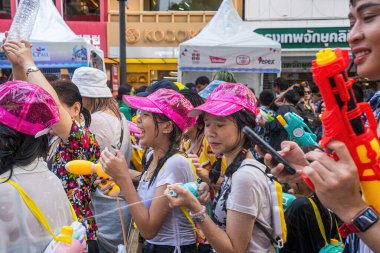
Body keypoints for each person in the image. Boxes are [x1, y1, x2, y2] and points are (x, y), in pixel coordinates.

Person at [166, 83, 274, 253]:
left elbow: (233, 249)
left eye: (220, 124)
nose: (210, 132)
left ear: (245, 127)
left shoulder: (244, 176)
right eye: (207, 124)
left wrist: (195, 208)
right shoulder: (235, 169)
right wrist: (208, 189)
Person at [100, 89, 198, 253]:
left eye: (146, 115)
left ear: (167, 126)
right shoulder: (151, 156)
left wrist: (124, 179)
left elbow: (149, 229)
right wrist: (120, 185)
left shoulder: (176, 164)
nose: (137, 120)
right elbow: (147, 203)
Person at [1, 40, 75, 252]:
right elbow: (22, 112)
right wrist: (17, 66)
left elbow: (53, 112)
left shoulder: (6, 190)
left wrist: (27, 62)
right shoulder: (47, 176)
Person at [71, 66, 133, 253]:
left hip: (104, 208)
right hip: (119, 205)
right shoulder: (119, 116)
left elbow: (87, 164)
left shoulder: (96, 120)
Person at [49, 79, 101, 252]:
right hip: (60, 235)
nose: (47, 114)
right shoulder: (53, 139)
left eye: (52, 108)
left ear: (76, 109)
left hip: (80, 237)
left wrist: (28, 65)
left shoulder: (83, 140)